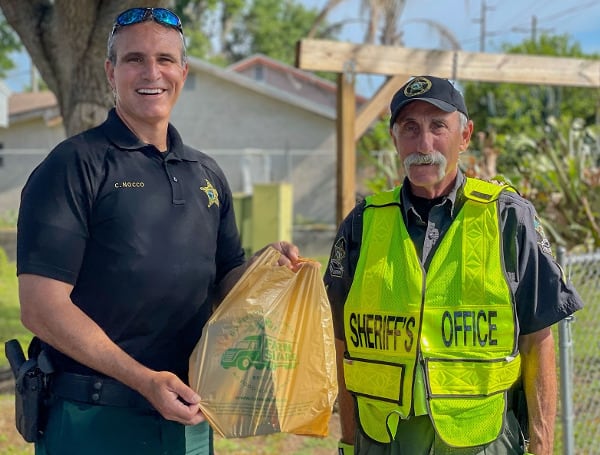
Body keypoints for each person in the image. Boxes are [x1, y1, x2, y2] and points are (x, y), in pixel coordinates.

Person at [16, 7, 299, 455]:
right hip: (92, 420)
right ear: (111, 71)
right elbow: (40, 307)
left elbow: (226, 281)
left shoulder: (205, 173)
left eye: (166, 59)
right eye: (134, 59)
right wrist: (144, 380)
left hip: (189, 414)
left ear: (183, 72)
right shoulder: (73, 166)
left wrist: (266, 268)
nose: (153, 72)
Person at [324, 75, 584, 455]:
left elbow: (538, 340)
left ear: (464, 136)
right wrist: (349, 443)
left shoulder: (507, 218)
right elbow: (343, 343)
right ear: (394, 139)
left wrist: (541, 447)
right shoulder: (363, 223)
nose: (424, 144)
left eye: (438, 127)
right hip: (384, 439)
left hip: (483, 438)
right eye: (410, 129)